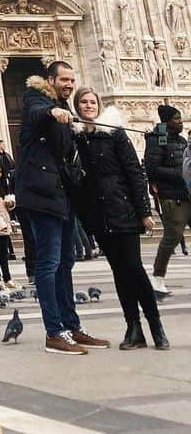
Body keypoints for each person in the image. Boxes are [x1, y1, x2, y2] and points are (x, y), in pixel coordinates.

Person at [15, 60, 108, 356]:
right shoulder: (37, 98)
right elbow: (34, 111)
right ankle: (54, 331)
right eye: (63, 79)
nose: (68, 84)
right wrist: (52, 111)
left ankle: (70, 325)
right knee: (49, 262)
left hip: (62, 195)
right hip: (41, 194)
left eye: (72, 80)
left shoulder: (64, 108)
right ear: (50, 79)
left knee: (66, 261)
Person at [72, 87, 167, 350]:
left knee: (134, 269)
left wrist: (144, 211)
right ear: (77, 106)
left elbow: (135, 172)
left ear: (99, 105)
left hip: (122, 209)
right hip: (99, 215)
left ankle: (155, 325)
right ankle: (133, 327)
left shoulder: (114, 134)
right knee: (119, 273)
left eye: (92, 101)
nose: (88, 105)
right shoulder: (77, 139)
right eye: (83, 102)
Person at [143, 103, 189, 297]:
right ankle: (157, 278)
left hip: (187, 192)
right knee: (172, 236)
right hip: (172, 197)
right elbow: (153, 169)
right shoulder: (158, 140)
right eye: (177, 119)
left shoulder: (181, 140)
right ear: (167, 122)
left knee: (173, 236)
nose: (181, 122)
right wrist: (181, 173)